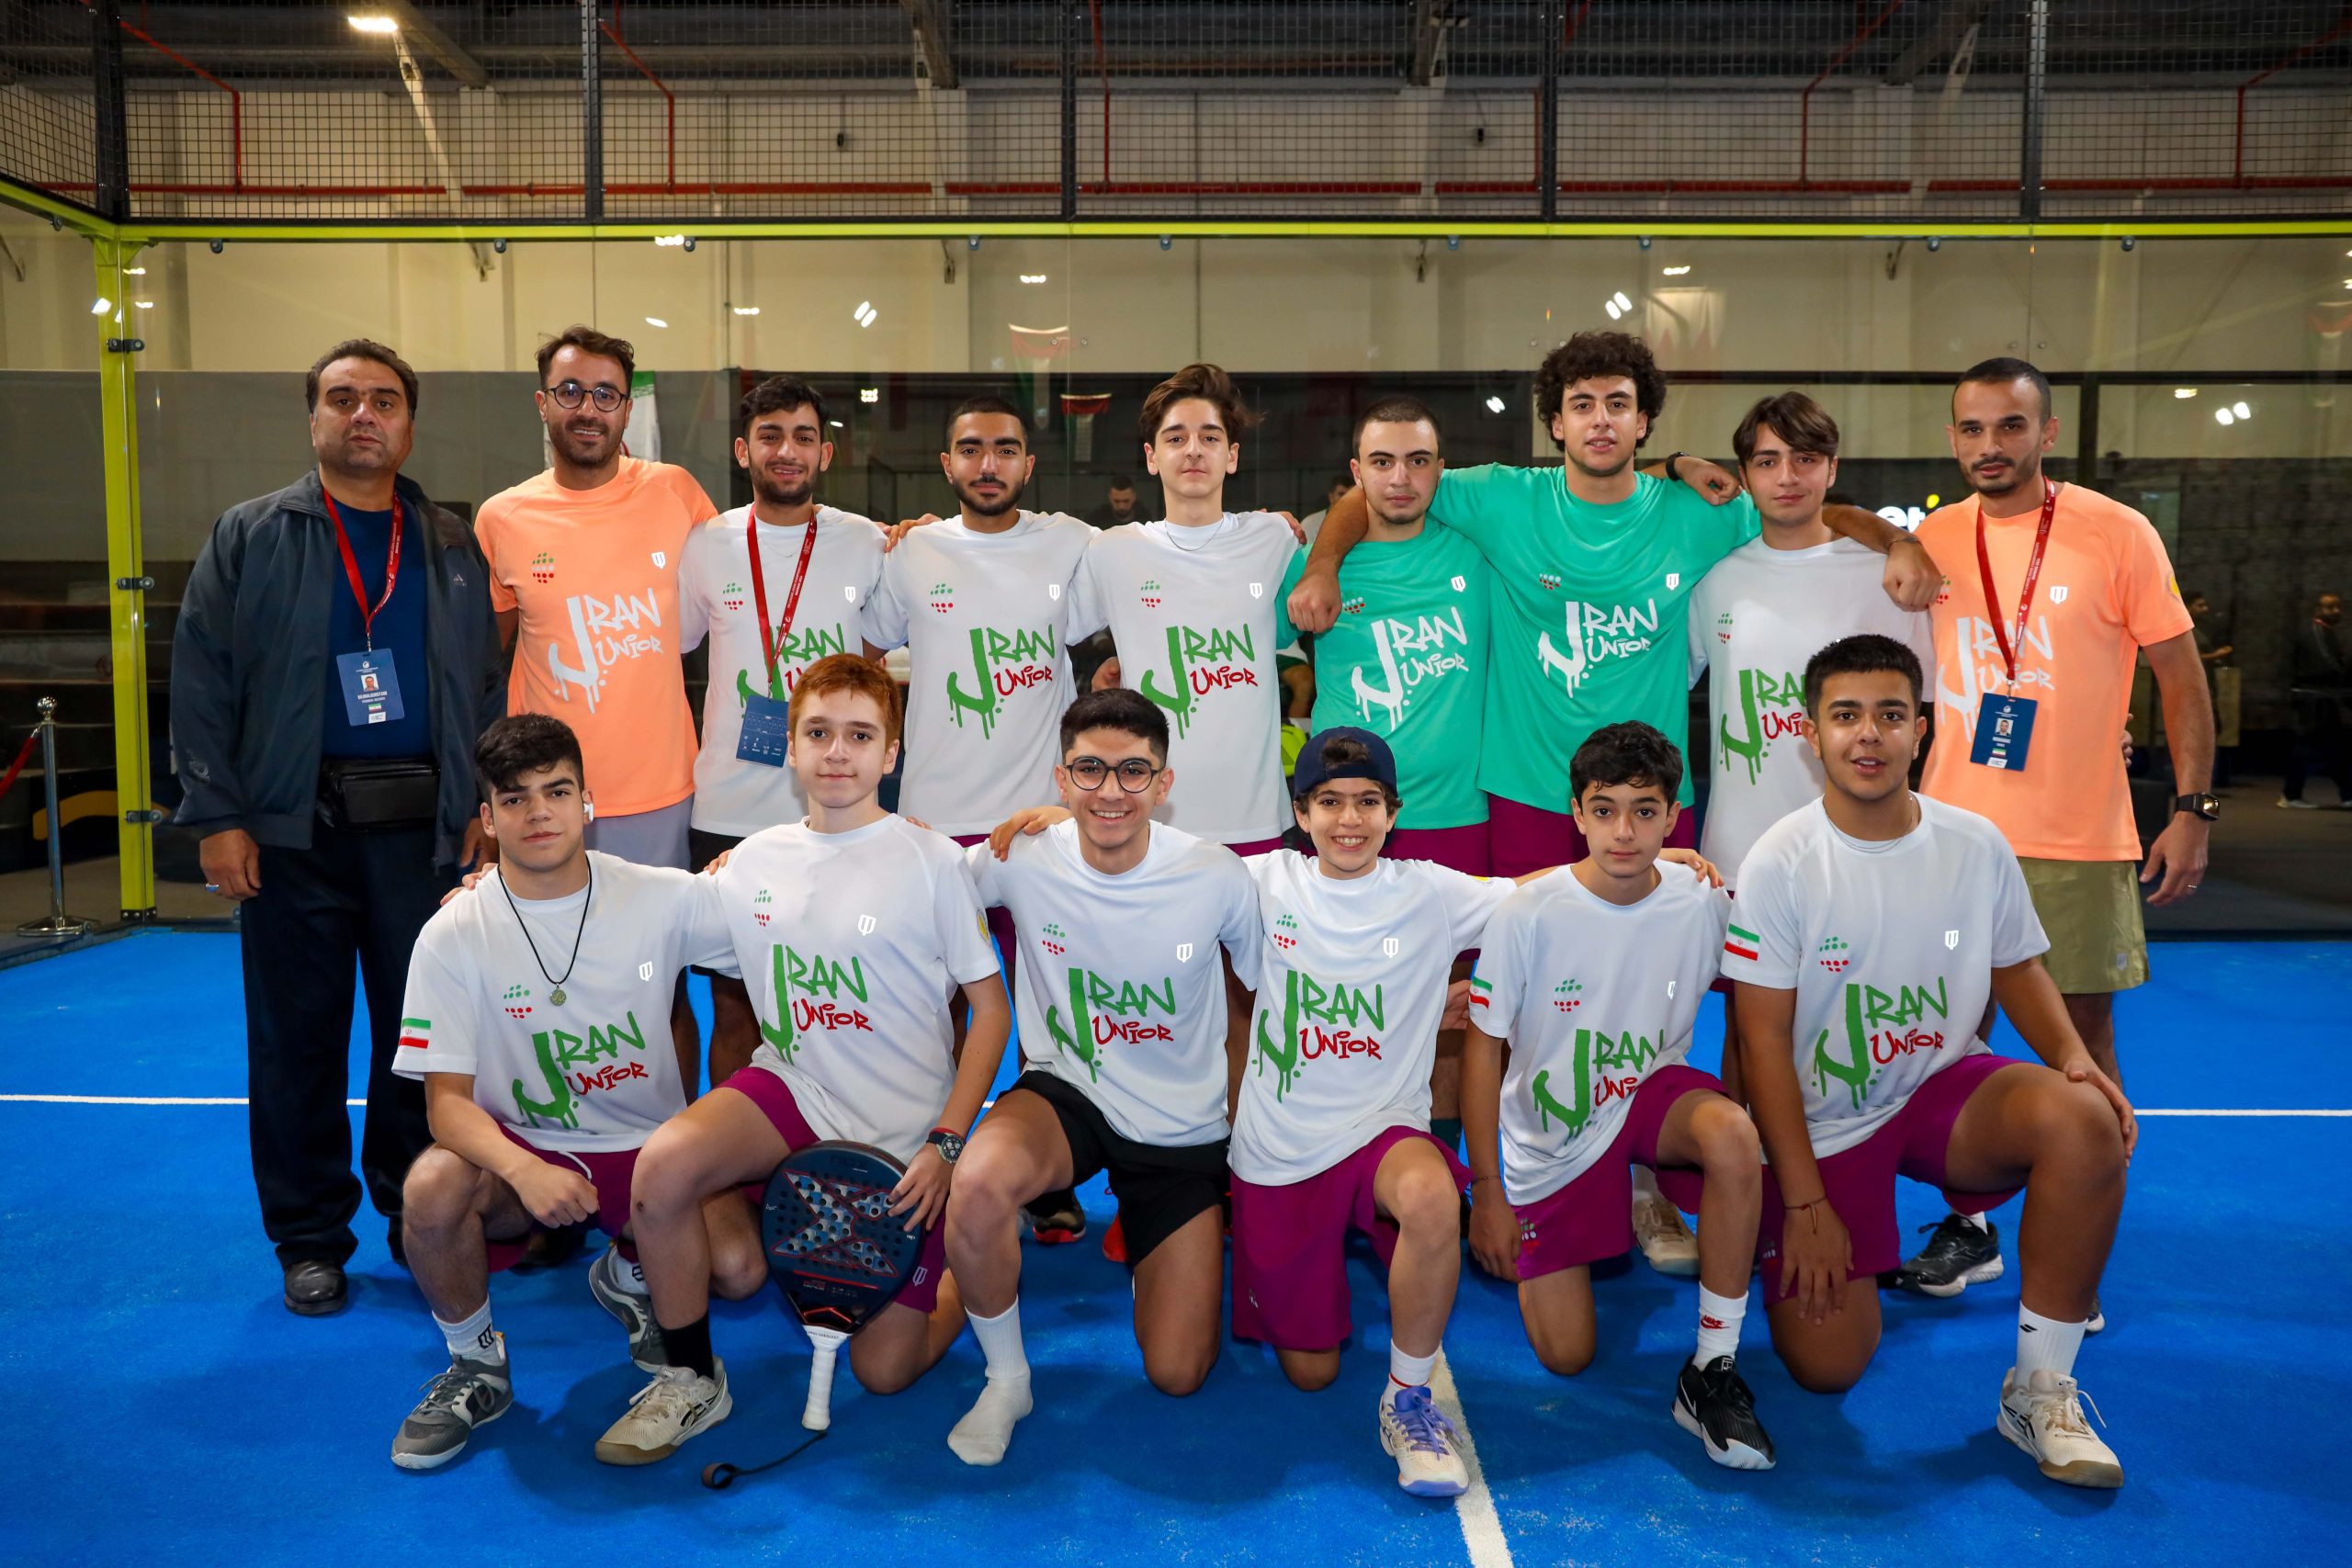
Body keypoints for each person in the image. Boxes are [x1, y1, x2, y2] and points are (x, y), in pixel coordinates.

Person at [1288, 333, 1936, 1276]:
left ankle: (1641, 1183)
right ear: (1555, 422)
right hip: (1524, 794)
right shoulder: (1503, 497)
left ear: (1645, 420)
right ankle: (1515, 1177)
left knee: (1649, 1000)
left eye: (1618, 404)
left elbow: (1799, 503)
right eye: (1582, 404)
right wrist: (1320, 564)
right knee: (1513, 1005)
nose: (1600, 420)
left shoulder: (1693, 510)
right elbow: (1378, 487)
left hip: (1648, 805)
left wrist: (1899, 536)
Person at [1727, 634, 2134, 1490]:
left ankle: (2039, 1389)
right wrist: (1804, 1202)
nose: (1867, 734)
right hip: (1825, 1125)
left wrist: (2073, 1058)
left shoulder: (1974, 842)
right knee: (1828, 1365)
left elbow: (2016, 965)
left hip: (1941, 1092)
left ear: (1922, 729)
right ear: (1811, 732)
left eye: (1888, 714)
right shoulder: (1780, 861)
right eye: (1845, 715)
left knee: (2085, 1119)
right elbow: (1761, 1043)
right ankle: (1790, 1237)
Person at [597, 655, 1009, 1466]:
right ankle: (690, 1378)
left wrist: (948, 1142)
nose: (837, 752)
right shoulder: (752, 862)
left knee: (885, 1371)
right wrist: (497, 885)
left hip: (903, 1139)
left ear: (891, 752)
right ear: (790, 747)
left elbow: (991, 1013)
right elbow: (629, 900)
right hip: (795, 1089)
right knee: (665, 1164)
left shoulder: (932, 861)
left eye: (860, 735)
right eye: (818, 732)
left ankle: (975, 1251)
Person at [172, 337, 503, 1316]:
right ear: (312, 417)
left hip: (422, 831)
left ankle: (414, 1210)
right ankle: (310, 1235)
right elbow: (201, 681)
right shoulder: (250, 535)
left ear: (410, 426)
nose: (365, 414)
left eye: (385, 401)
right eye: (344, 398)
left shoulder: (449, 541)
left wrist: (479, 802)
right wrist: (219, 815)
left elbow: (483, 683)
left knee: (419, 1036)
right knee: (296, 1042)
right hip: (291, 831)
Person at [1900, 358, 2211, 1301]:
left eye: (2009, 426)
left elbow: (2181, 675)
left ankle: (2079, 1253)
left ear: (2046, 433)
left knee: (2080, 1043)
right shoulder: (1935, 538)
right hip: (1952, 837)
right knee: (1951, 1038)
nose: (1988, 446)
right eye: (1971, 428)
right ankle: (1970, 1225)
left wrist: (2191, 809)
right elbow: (1836, 530)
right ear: (1952, 438)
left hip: (2075, 838)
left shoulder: (2116, 531)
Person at [386, 715, 764, 1470]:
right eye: (515, 799)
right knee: (429, 1187)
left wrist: (883, 847)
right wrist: (524, 1169)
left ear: (587, 802)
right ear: (487, 816)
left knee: (739, 1269)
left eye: (557, 791)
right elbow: (446, 1105)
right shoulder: (453, 932)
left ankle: (628, 1268)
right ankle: (476, 1365)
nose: (539, 813)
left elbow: (793, 919)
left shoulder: (661, 895)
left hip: (651, 1152)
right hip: (523, 1150)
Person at [940, 689, 1261, 1465]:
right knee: (976, 1181)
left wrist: (1248, 1135)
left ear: (1164, 782)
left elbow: (1260, 997)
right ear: (1061, 776)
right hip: (1068, 1091)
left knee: (1178, 1372)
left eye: (1132, 771)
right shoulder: (1020, 858)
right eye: (1089, 770)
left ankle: (1156, 1253)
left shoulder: (1216, 876)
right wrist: (737, 872)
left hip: (1179, 1125)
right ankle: (1007, 1377)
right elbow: (919, 878)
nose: (1110, 789)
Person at [1228, 728, 1542, 1499]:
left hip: (1383, 1128)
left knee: (1432, 1195)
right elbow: (1152, 865)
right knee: (1311, 1372)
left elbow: (1541, 892)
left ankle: (1407, 1397)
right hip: (1279, 1150)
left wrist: (1653, 860)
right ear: (1301, 812)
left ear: (1393, 812)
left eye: (1368, 801)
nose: (1349, 819)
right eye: (1330, 802)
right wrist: (1058, 824)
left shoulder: (1429, 891)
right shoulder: (1261, 882)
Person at [1461, 722, 1773, 1472]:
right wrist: (1488, 1189)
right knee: (1568, 1355)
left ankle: (1712, 1367)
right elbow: (1480, 1053)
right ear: (1576, 813)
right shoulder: (1529, 914)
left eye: (1644, 811)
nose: (1624, 831)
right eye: (1604, 810)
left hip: (1649, 1099)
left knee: (1733, 1134)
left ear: (1674, 816)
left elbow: (1764, 1001)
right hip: (1553, 1140)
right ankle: (1609, 1204)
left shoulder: (1702, 900)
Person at [866, 395, 1102, 1247]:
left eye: (1005, 448)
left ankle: (1045, 1173)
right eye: (971, 449)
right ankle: (926, 1156)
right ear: (947, 464)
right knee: (936, 1007)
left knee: (1047, 1008)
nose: (988, 463)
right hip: (935, 829)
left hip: (1037, 827)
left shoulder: (1073, 544)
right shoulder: (912, 553)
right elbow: (867, 655)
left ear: (1029, 464)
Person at [475, 324, 719, 1082]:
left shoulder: (677, 493)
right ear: (542, 403)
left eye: (605, 394)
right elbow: (486, 661)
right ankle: (559, 1128)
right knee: (550, 982)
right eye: (572, 391)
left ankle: (671, 1138)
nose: (588, 408)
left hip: (659, 796)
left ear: (626, 407)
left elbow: (756, 572)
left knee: (661, 987)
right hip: (543, 798)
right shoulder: (502, 517)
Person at [1685, 393, 1936, 1108]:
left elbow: (1930, 715)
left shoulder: (1885, 576)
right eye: (1767, 461)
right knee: (1747, 1037)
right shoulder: (1716, 579)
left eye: (1804, 458)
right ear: (1745, 474)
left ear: (1833, 467)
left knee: (1849, 1035)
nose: (1787, 476)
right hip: (1741, 856)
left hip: (1858, 858)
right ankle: (1750, 1176)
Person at [1272, 398, 1492, 1157]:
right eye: (1382, 462)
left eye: (1418, 461)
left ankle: (1443, 1161)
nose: (1401, 478)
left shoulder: (1476, 552)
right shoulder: (1317, 566)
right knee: (1350, 997)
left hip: (1456, 813)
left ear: (1441, 470)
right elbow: (1235, 644)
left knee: (1454, 1007)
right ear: (1356, 471)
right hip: (1348, 822)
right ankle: (1344, 1149)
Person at [678, 375, 885, 1081]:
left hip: (837, 814)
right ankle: (733, 1148)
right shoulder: (706, 544)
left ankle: (829, 1135)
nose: (786, 451)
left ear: (826, 452)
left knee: (832, 1001)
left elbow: (885, 646)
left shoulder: (868, 543)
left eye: (803, 436)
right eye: (770, 436)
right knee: (734, 1007)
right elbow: (674, 644)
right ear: (744, 451)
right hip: (727, 811)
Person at [2282, 589, 2349, 807]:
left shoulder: (2322, 631)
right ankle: (2291, 795)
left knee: (2331, 747)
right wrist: (2345, 680)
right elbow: (2328, 663)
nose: (2336, 611)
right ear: (2317, 610)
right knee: (2311, 747)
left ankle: (2347, 794)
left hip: (2319, 698)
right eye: (2330, 607)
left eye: (2337, 607)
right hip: (2314, 700)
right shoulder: (2316, 631)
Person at [2186, 591, 2237, 788]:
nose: (2205, 609)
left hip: (2205, 684)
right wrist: (2217, 655)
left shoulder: (2198, 629)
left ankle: (2201, 780)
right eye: (2200, 605)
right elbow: (2191, 657)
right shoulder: (2185, 629)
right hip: (2194, 687)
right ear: (2188, 606)